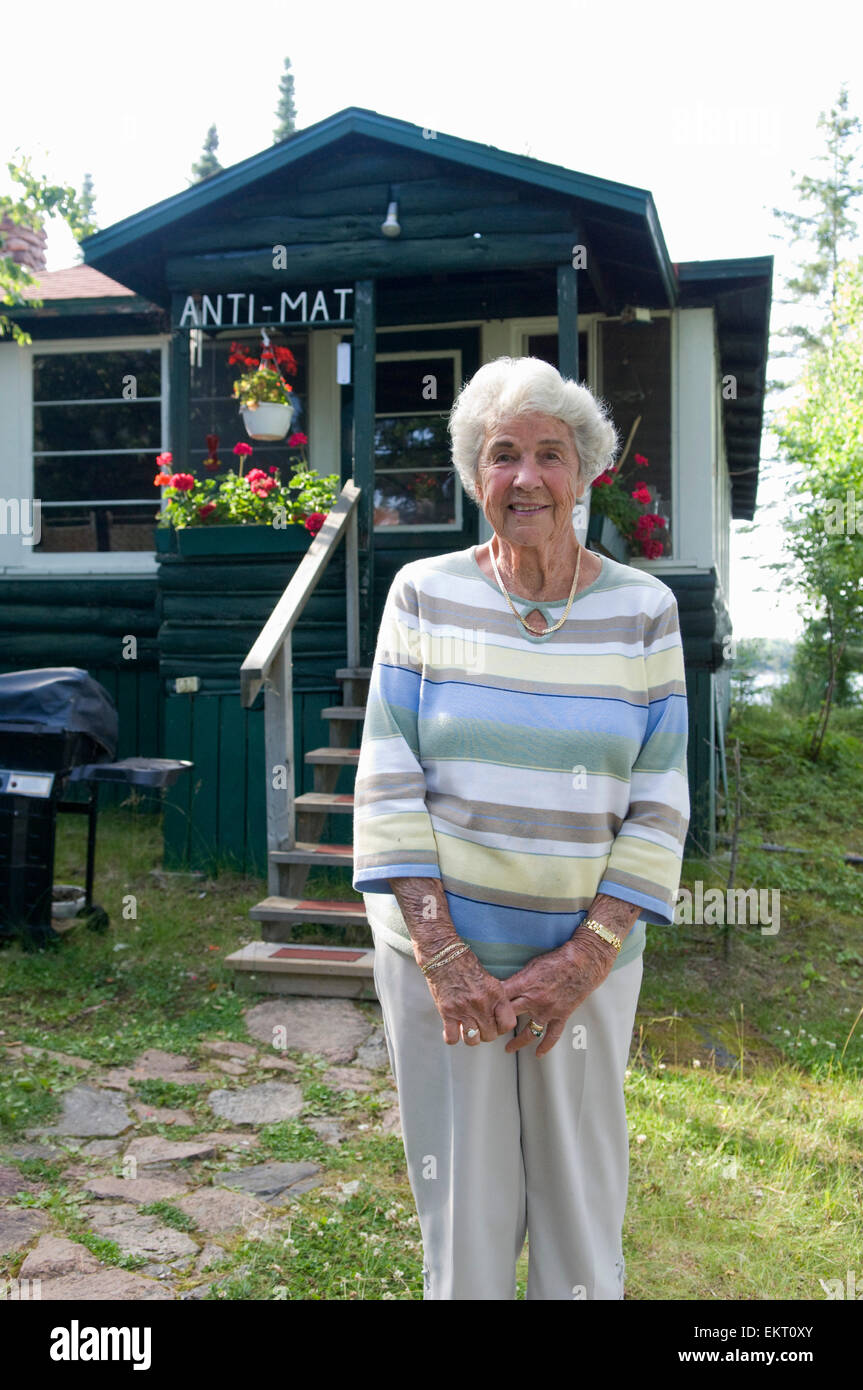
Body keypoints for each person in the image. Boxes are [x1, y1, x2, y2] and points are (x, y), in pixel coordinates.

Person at [351, 356, 690, 1300]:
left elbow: (661, 797)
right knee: (463, 1207)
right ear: (474, 476)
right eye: (502, 456)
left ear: (584, 471)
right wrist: (442, 951)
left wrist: (587, 952)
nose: (527, 477)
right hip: (438, 961)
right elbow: (386, 772)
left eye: (550, 453)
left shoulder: (641, 610)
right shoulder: (424, 593)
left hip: (587, 965)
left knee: (581, 1204)